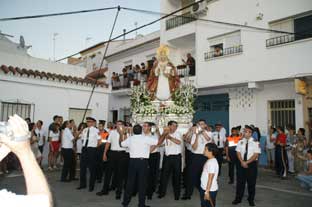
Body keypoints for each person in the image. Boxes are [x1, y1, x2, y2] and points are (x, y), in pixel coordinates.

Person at [0, 115, 52, 207]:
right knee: (36, 158)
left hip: (36, 146)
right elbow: (41, 202)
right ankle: (25, 168)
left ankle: (35, 167)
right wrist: (25, 152)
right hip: (31, 147)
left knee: (40, 158)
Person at [121, 124, 161, 207]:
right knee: (142, 183)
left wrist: (123, 133)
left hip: (132, 162)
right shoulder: (145, 138)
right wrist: (163, 134)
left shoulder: (130, 139)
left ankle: (125, 202)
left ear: (133, 131)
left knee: (130, 182)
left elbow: (122, 144)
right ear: (141, 130)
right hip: (142, 162)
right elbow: (157, 142)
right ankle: (141, 204)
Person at [97, 120, 128, 199]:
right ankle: (105, 190)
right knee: (108, 173)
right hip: (112, 153)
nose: (118, 126)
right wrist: (104, 153)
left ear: (123, 126)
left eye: (120, 124)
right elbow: (108, 143)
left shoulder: (127, 133)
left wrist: (122, 133)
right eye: (117, 124)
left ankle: (119, 192)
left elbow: (124, 143)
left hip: (122, 154)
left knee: (120, 174)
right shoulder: (112, 132)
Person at [182, 119, 212, 200]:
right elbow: (194, 148)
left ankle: (204, 192)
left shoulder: (209, 133)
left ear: (205, 125)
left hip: (205, 157)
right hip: (195, 157)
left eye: (202, 124)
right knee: (191, 175)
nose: (200, 126)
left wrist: (201, 132)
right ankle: (188, 194)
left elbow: (208, 139)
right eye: (199, 124)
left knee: (204, 175)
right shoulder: (195, 135)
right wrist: (197, 136)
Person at [232, 125, 261, 206]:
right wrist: (242, 161)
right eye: (244, 131)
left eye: (247, 131)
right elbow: (238, 152)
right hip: (240, 163)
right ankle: (238, 198)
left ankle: (251, 199)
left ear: (251, 133)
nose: (245, 133)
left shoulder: (256, 142)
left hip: (251, 165)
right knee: (240, 182)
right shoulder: (240, 141)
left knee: (251, 183)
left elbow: (256, 155)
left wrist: (246, 162)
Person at [158, 121, 182, 200]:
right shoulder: (165, 133)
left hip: (176, 158)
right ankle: (162, 193)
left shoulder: (177, 134)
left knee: (177, 176)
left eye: (176, 126)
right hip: (167, 158)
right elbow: (160, 143)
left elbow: (178, 142)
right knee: (164, 176)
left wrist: (170, 137)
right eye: (173, 126)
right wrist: (164, 134)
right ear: (169, 126)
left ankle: (177, 195)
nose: (175, 127)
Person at [77, 117, 101, 192]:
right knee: (82, 167)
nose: (88, 123)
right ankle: (82, 184)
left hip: (92, 149)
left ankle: (91, 186)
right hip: (84, 149)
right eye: (87, 122)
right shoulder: (84, 130)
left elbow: (99, 141)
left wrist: (94, 148)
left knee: (92, 168)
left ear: (93, 123)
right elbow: (80, 137)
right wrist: (79, 131)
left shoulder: (96, 130)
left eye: (90, 122)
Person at [145, 122, 161, 200]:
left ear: (149, 127)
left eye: (145, 126)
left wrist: (147, 152)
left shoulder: (154, 135)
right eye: (143, 126)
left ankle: (149, 192)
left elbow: (156, 145)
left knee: (151, 174)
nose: (143, 127)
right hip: (144, 155)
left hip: (152, 156)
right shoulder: (142, 135)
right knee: (144, 174)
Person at [200, 143, 219, 207]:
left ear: (210, 152)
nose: (204, 151)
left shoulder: (212, 163)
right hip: (205, 188)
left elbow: (210, 178)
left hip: (209, 190)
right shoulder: (210, 160)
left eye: (205, 149)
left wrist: (207, 192)